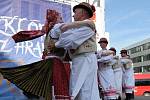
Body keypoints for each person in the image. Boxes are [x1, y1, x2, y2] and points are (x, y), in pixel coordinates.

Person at [49, 2, 101, 100]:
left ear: (82, 13)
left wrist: (56, 44)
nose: (73, 15)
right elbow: (57, 34)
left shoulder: (87, 27)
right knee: (77, 88)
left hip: (85, 59)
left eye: (75, 12)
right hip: (78, 60)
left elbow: (71, 40)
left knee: (85, 89)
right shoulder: (77, 27)